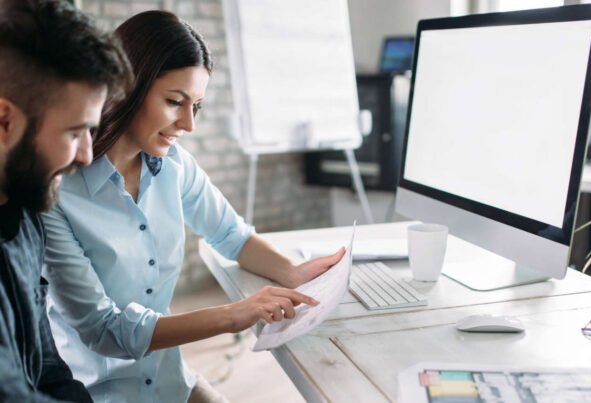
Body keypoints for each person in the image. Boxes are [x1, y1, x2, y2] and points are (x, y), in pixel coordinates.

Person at [42, 10, 344, 403]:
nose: (188, 124)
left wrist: (292, 270)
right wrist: (235, 314)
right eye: (174, 102)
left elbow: (232, 236)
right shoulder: (57, 193)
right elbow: (104, 330)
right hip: (98, 393)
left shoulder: (174, 166)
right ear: (124, 88)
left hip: (168, 379)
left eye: (196, 106)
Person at [0, 0, 131, 401]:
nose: (87, 155)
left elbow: (46, 367)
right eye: (75, 133)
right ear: (4, 121)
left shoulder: (25, 214)